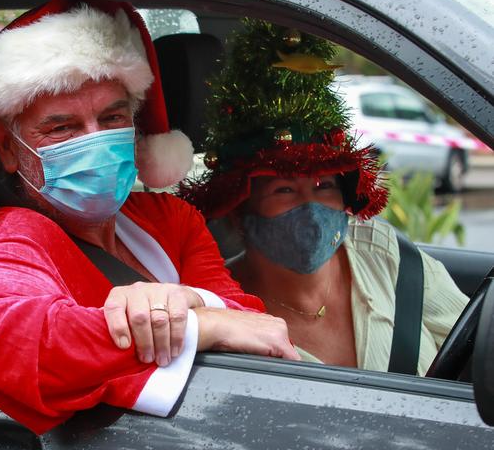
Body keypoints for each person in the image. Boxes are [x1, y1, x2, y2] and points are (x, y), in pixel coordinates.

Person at [0, 0, 300, 436]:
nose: (96, 141)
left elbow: (247, 320)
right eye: (62, 128)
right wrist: (193, 325)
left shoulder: (170, 218)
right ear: (6, 147)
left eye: (112, 117)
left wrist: (192, 302)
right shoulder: (22, 235)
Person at [180, 19, 468, 373]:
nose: (311, 208)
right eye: (284, 189)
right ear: (240, 211)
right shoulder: (217, 314)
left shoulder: (388, 258)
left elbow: (476, 346)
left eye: (324, 186)